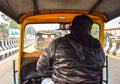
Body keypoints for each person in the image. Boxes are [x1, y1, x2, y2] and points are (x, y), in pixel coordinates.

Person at [36, 15, 105, 84]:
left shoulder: (57, 43)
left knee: (45, 81)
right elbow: (100, 66)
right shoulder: (97, 45)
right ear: (89, 30)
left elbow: (41, 68)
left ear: (71, 28)